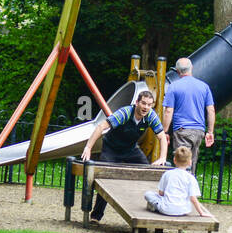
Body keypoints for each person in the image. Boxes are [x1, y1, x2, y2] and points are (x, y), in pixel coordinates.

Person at [81, 88, 168, 221]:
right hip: (111, 149)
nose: (146, 107)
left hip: (131, 149)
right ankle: (96, 216)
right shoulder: (125, 112)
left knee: (148, 174)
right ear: (137, 103)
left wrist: (162, 158)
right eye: (143, 103)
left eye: (149, 105)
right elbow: (101, 127)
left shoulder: (151, 116)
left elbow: (162, 137)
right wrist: (88, 147)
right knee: (104, 179)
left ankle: (148, 215)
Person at [162, 57, 214, 173]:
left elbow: (168, 111)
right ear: (192, 68)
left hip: (182, 131)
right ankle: (190, 189)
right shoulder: (204, 86)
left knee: (182, 166)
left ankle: (181, 189)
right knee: (192, 164)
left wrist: (164, 132)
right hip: (199, 131)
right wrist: (210, 132)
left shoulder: (174, 87)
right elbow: (211, 110)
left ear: (177, 70)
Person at [143, 145, 210, 218]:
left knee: (148, 194)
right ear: (190, 162)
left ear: (174, 160)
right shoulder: (191, 178)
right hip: (183, 210)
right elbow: (193, 198)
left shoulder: (167, 174)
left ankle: (156, 208)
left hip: (166, 209)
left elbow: (161, 193)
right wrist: (201, 212)